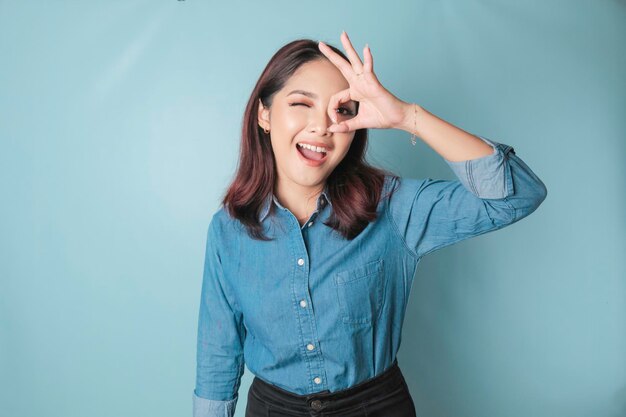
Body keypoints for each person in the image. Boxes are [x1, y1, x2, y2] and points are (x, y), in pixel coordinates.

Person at [192, 31, 547, 417]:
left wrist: (407, 117)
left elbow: (518, 195)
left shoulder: (392, 207)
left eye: (341, 110)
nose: (322, 126)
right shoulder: (228, 230)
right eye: (301, 104)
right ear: (264, 114)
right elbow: (218, 358)